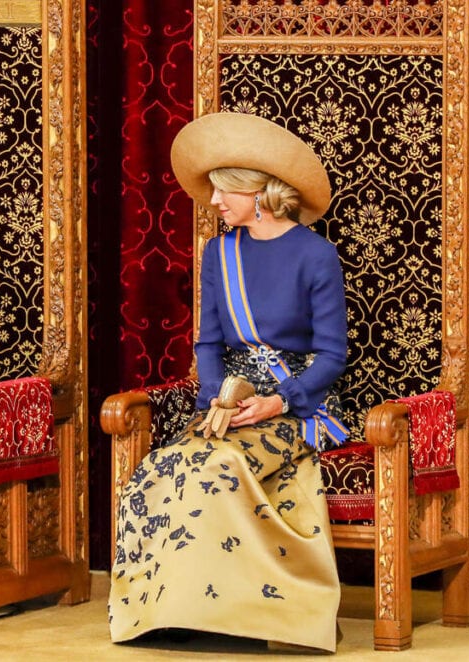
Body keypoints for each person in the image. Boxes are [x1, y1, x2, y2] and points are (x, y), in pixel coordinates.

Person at [108, 113, 349, 653]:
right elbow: (208, 345)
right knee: (161, 466)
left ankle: (257, 617)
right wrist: (216, 398)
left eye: (224, 190)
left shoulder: (316, 254)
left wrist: (278, 401)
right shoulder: (220, 253)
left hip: (297, 406)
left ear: (259, 191)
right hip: (229, 403)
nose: (213, 201)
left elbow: (334, 354)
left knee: (218, 468)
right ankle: (169, 610)